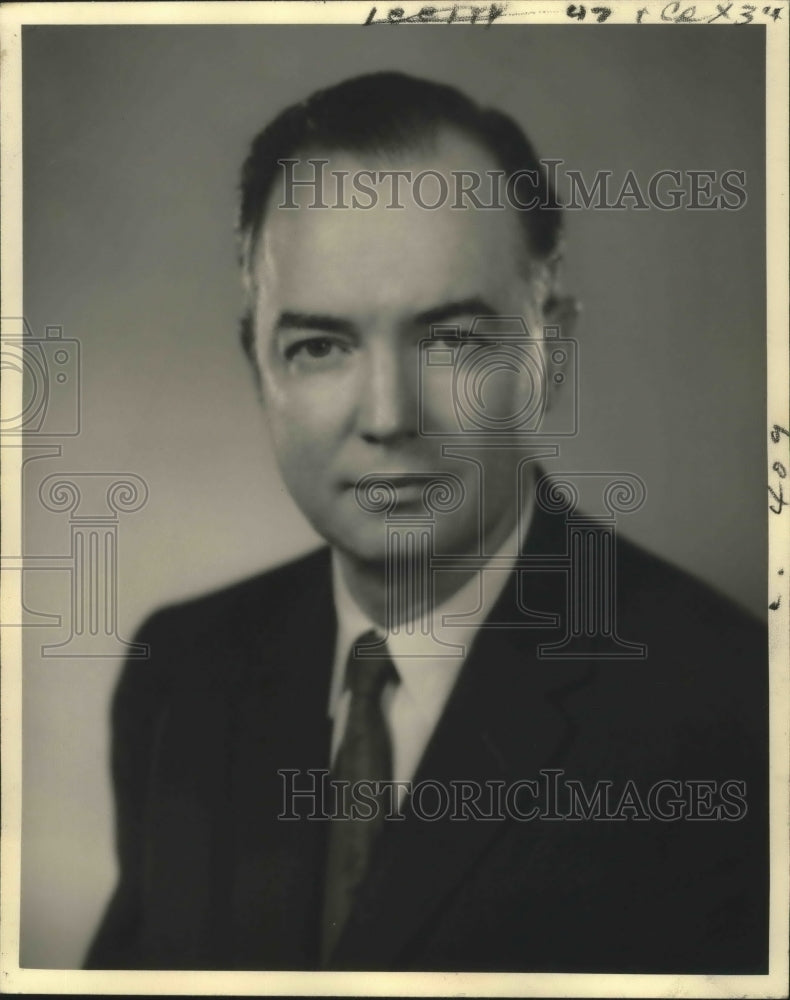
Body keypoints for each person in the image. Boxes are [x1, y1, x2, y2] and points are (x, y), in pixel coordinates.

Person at [86, 72, 767, 973]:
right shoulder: (180, 674)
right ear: (259, 371)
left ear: (548, 355)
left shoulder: (733, 709)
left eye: (449, 339)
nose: (386, 415)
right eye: (320, 346)